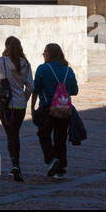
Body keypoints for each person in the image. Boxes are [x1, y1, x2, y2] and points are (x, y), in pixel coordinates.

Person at [30, 42, 79, 180]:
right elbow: (74, 91)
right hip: (65, 109)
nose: (43, 54)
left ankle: (52, 160)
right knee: (60, 139)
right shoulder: (68, 70)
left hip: (48, 108)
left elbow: (36, 89)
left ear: (50, 53)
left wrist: (32, 108)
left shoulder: (43, 68)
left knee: (43, 134)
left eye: (45, 51)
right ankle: (60, 169)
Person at [0, 36, 34, 181]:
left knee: (10, 134)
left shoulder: (1, 61)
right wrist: (24, 98)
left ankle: (15, 164)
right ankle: (15, 165)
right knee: (14, 133)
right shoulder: (26, 64)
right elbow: (30, 86)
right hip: (19, 104)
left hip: (5, 104)